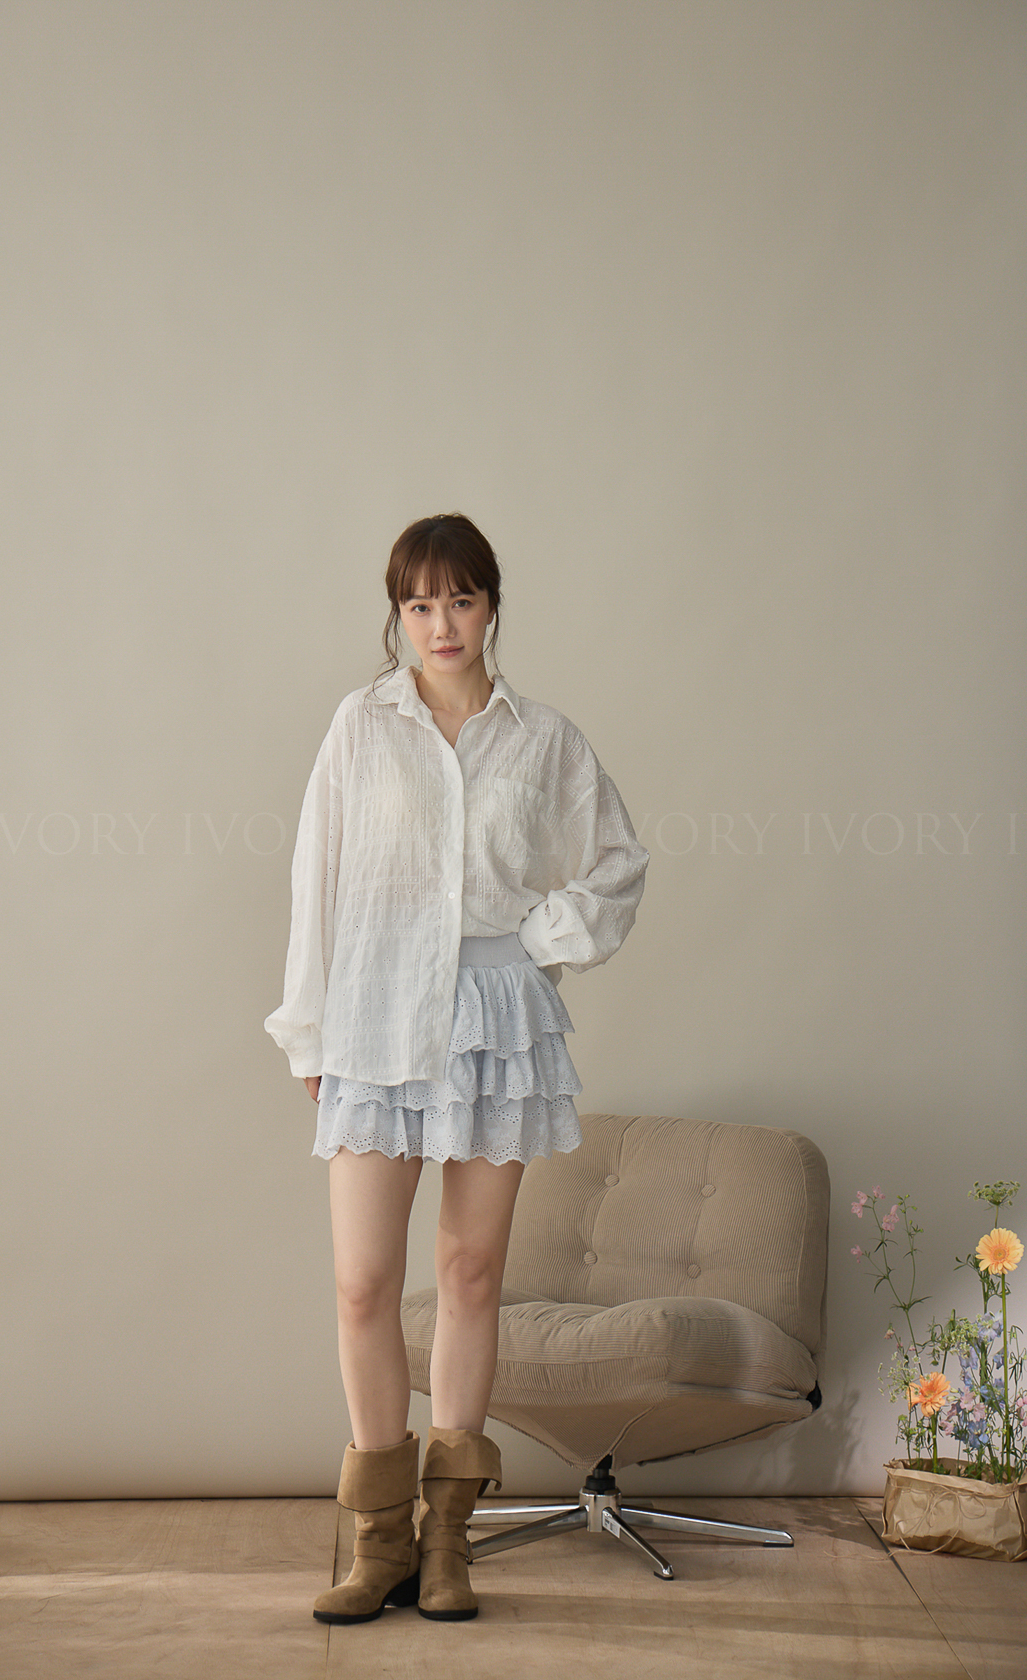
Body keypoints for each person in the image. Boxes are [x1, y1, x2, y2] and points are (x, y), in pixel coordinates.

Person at [265, 513, 648, 1626]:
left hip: (493, 1022)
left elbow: (617, 865)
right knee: (363, 1283)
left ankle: (447, 1543)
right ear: (397, 614)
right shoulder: (360, 727)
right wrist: (309, 1033)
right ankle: (378, 1542)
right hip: (374, 1016)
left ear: (491, 606)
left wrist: (537, 940)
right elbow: (317, 879)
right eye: (419, 604)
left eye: (461, 600)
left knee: (472, 1274)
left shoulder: (544, 740)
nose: (441, 625)